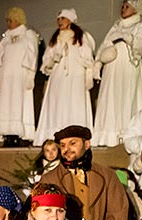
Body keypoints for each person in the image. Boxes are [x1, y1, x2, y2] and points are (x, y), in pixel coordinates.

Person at [37, 125, 130, 220]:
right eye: (62, 145)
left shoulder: (108, 176)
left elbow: (117, 216)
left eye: (73, 143)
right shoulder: (49, 179)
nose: (66, 149)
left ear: (87, 144)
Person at [92, 1, 142, 147]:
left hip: (128, 67)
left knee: (126, 96)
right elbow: (105, 44)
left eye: (126, 6)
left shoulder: (141, 27)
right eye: (122, 6)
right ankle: (106, 136)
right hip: (111, 68)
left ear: (136, 9)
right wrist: (98, 63)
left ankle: (126, 136)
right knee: (110, 97)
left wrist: (127, 38)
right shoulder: (115, 26)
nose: (123, 9)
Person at [33, 9, 97, 146]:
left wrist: (88, 72)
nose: (59, 21)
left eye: (63, 18)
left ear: (70, 20)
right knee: (57, 103)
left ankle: (76, 136)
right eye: (58, 19)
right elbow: (47, 60)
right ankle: (54, 135)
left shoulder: (81, 37)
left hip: (75, 75)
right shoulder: (55, 39)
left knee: (74, 102)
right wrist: (54, 58)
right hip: (59, 76)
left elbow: (87, 56)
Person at [0, 7, 39, 146]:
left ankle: (19, 135)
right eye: (7, 20)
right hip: (7, 76)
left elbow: (32, 55)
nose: (8, 23)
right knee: (5, 104)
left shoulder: (28, 35)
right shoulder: (6, 38)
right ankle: (6, 134)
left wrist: (31, 74)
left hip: (20, 75)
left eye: (10, 20)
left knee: (19, 102)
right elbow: (0, 58)